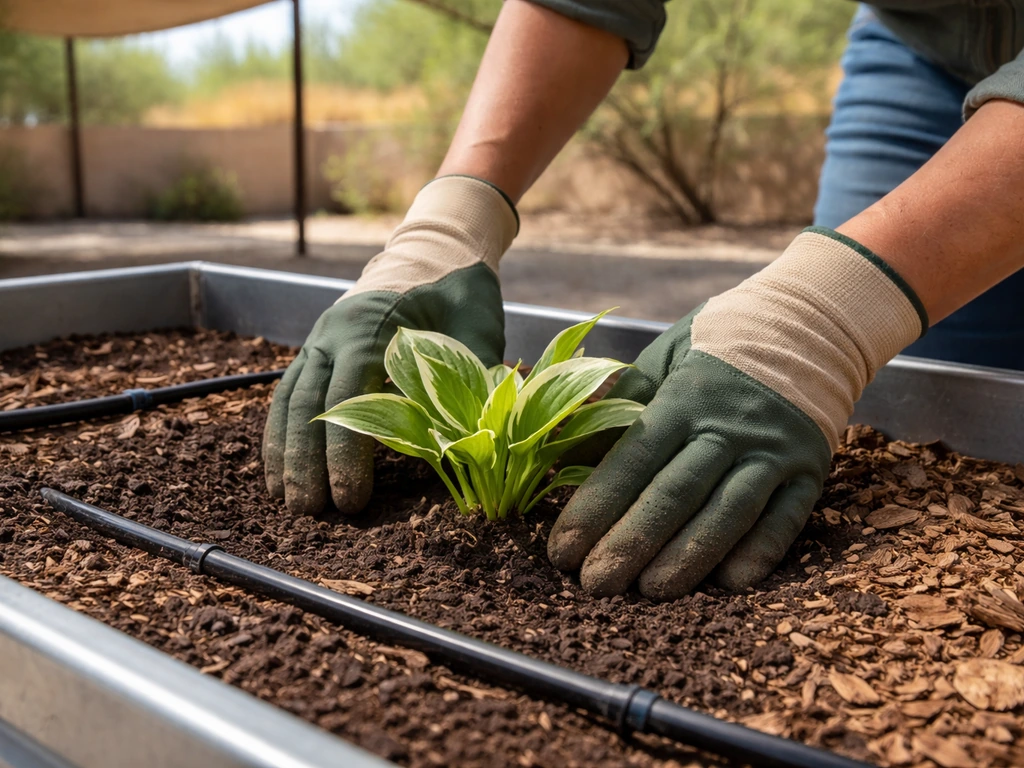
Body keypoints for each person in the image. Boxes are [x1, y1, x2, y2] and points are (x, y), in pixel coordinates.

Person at [263, 1, 1024, 600]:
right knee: (914, 402)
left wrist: (830, 318)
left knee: (876, 339)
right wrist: (450, 221)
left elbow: (846, 312)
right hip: (922, 39)